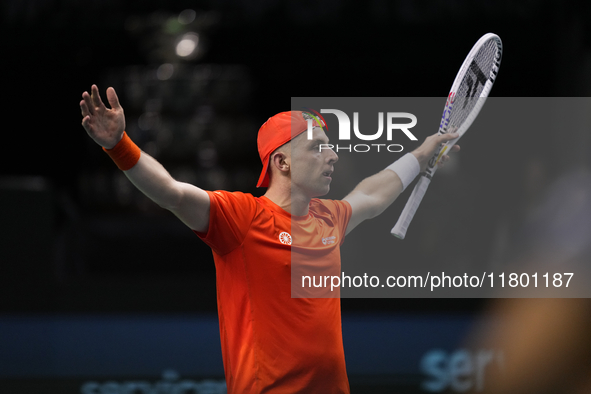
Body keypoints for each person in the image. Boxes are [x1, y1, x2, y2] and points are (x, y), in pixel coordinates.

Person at [80, 84, 459, 393]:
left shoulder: (329, 217)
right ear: (282, 162)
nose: (333, 156)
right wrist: (118, 145)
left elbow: (372, 195)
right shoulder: (241, 218)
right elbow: (172, 193)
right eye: (317, 147)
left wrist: (424, 152)